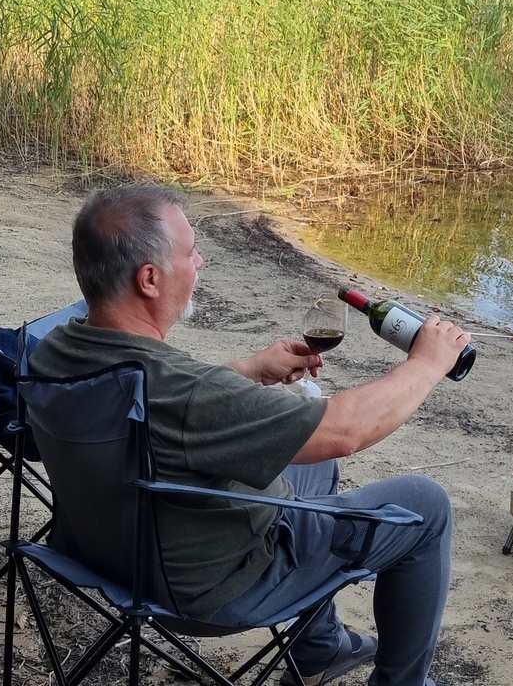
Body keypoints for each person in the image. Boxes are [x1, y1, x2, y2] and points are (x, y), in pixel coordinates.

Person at [30, 181, 471, 686]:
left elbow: (153, 410)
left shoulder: (56, 350)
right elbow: (343, 430)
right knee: (424, 503)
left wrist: (244, 371)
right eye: (191, 255)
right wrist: (428, 361)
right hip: (215, 586)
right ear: (149, 279)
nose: (199, 265)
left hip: (108, 557)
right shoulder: (183, 390)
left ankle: (318, 648)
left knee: (314, 462)